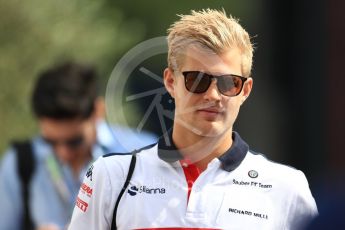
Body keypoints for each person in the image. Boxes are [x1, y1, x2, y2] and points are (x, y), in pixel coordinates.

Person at [68, 9, 318, 230]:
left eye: (229, 83)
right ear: (170, 82)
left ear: (245, 90)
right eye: (197, 80)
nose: (212, 95)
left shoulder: (287, 188)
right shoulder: (112, 176)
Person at [0, 62, 157, 230]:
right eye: (50, 142)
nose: (63, 153)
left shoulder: (146, 153)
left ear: (98, 111)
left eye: (74, 141)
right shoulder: (19, 163)